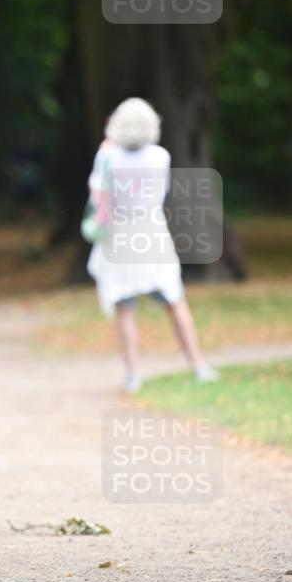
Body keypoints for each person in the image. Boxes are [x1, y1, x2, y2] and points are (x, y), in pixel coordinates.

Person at [86, 97, 219, 393]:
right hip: (152, 233)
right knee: (174, 299)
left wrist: (106, 146)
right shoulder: (160, 156)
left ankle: (133, 374)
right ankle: (198, 364)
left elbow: (99, 197)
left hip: (119, 237)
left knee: (124, 306)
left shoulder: (108, 157)